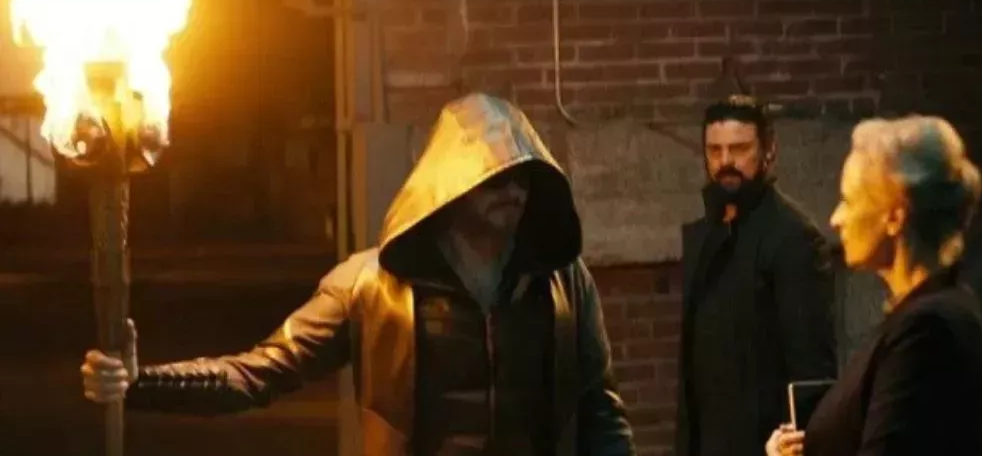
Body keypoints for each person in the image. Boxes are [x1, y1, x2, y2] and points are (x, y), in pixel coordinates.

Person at [80, 93, 637, 456]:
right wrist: (139, 382)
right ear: (454, 187)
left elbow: (599, 408)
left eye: (524, 180)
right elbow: (259, 372)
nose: (512, 192)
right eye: (494, 180)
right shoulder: (369, 285)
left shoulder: (563, 282)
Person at [766, 116, 982, 456]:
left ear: (895, 217)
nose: (836, 218)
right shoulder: (920, 315)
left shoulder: (927, 328)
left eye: (849, 200)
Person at [676, 95, 837, 456]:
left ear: (768, 151)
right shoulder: (704, 236)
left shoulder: (794, 239)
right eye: (714, 150)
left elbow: (811, 376)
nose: (725, 162)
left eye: (739, 149)